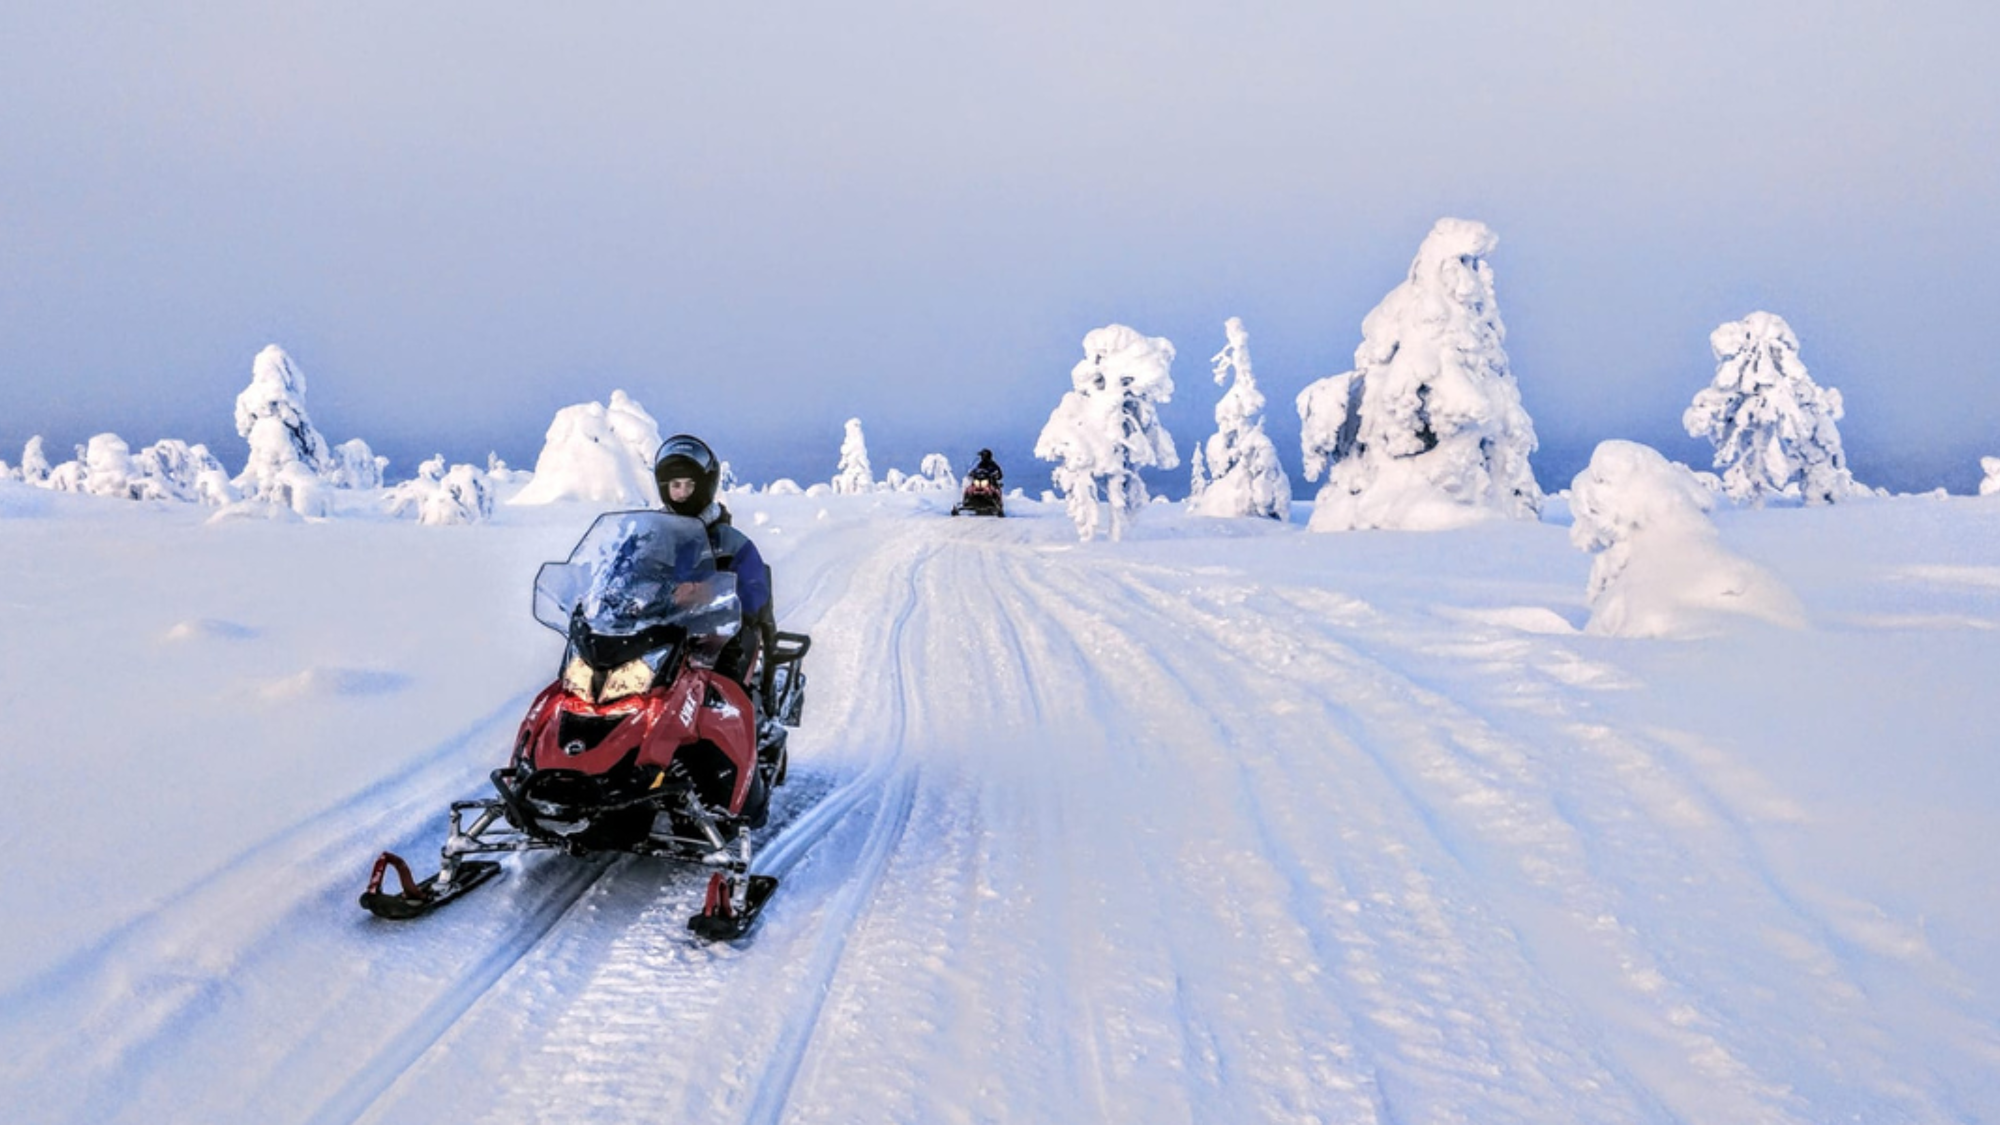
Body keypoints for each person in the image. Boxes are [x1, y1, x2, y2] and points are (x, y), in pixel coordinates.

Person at [652, 434, 773, 693]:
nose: (682, 493)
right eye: (675, 485)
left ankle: (732, 721)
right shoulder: (650, 537)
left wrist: (711, 595)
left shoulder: (731, 542)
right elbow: (623, 572)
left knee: (721, 688)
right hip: (657, 630)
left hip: (713, 639)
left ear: (705, 486)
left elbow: (754, 589)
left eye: (689, 485)